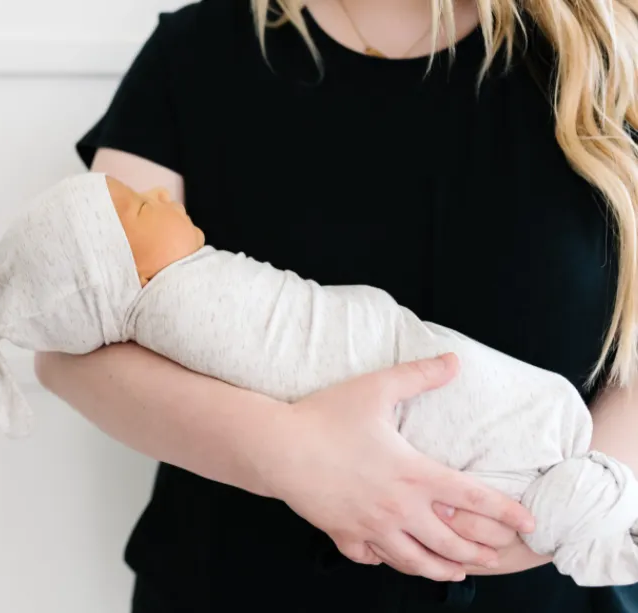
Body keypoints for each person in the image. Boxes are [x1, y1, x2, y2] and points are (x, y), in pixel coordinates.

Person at [34, 0, 638, 611]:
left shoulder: (612, 51)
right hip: (239, 585)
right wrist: (292, 454)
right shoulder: (199, 49)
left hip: (548, 587)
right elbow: (70, 351)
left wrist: (570, 509)